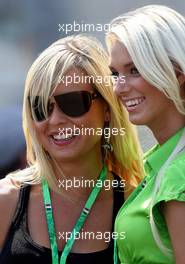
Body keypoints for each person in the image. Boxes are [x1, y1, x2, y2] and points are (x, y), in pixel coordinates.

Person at [0, 35, 144, 264]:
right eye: (40, 107)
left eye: (74, 102)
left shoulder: (136, 206)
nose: (55, 120)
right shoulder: (6, 199)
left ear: (107, 109)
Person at [106, 4, 185, 264]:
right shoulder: (158, 162)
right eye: (115, 74)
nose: (119, 89)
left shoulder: (178, 175)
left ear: (176, 72)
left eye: (135, 70)